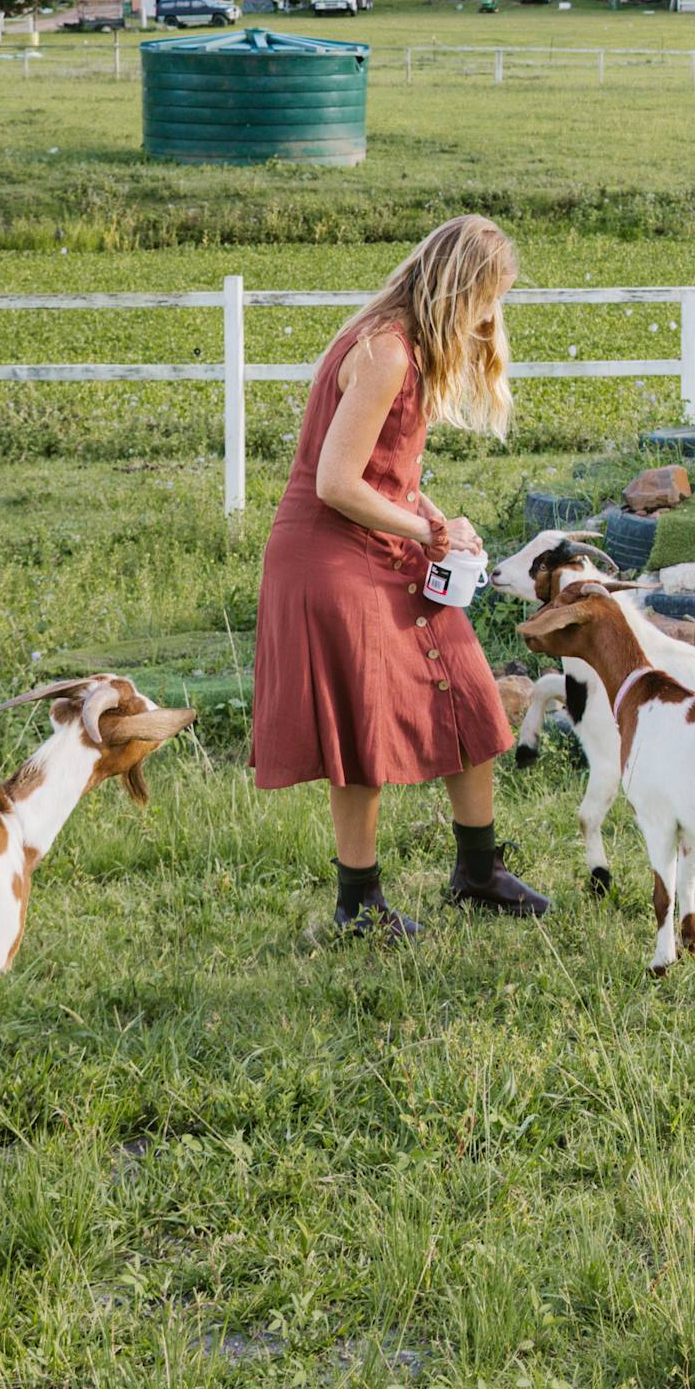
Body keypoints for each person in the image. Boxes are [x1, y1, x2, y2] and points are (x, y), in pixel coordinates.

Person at [250, 213, 549, 934]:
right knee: (358, 730)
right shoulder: (386, 352)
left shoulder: (401, 340)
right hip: (329, 558)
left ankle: (478, 871)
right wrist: (431, 532)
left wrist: (442, 521)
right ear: (460, 289)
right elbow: (334, 482)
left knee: (469, 688)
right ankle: (358, 903)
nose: (490, 318)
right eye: (489, 300)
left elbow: (387, 473)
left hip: (377, 543)